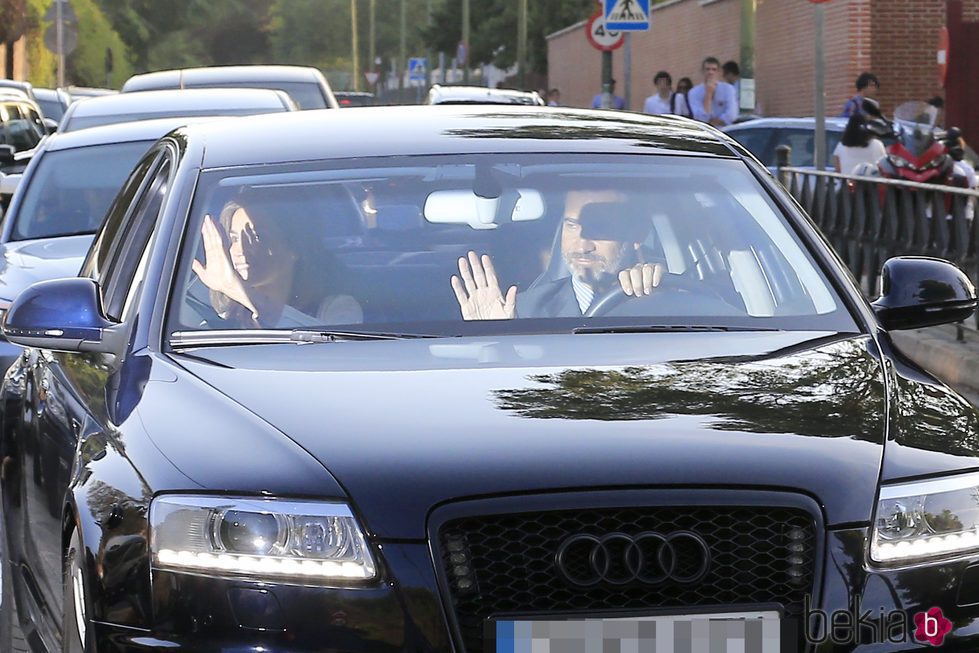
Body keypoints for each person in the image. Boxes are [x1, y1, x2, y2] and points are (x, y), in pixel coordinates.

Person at [450, 190, 663, 320]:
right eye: (571, 226)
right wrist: (495, 341)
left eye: (599, 228)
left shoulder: (664, 298)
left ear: (637, 235)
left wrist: (658, 294)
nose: (582, 245)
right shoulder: (523, 312)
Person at [192, 198, 362, 328]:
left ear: (294, 248)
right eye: (234, 238)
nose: (241, 249)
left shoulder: (337, 308)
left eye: (257, 237)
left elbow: (328, 354)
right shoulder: (217, 315)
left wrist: (237, 290)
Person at [688, 57, 738, 127]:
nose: (710, 72)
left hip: (725, 131)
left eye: (714, 69)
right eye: (707, 69)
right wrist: (709, 94)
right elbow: (700, 118)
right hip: (706, 133)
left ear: (719, 72)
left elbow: (732, 115)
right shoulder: (693, 92)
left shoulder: (729, 89)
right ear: (702, 71)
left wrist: (711, 122)